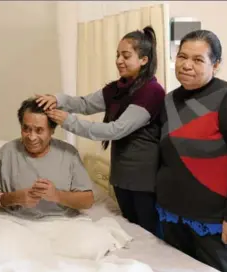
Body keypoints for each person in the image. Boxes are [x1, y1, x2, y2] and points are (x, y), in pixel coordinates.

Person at [36, 26, 165, 236]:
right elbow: (85, 104)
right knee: (132, 232)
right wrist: (58, 99)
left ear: (144, 60)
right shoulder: (117, 88)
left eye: (126, 55)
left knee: (149, 236)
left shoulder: (151, 92)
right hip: (122, 175)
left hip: (144, 180)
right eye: (117, 55)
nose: (119, 61)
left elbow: (116, 130)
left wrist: (69, 122)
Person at [156, 29, 227, 272]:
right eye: (182, 57)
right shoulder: (169, 100)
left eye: (198, 59)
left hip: (213, 220)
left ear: (215, 64)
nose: (186, 65)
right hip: (172, 214)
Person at [0, 98, 95, 218]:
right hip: (16, 222)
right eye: (26, 129)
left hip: (62, 222)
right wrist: (12, 198)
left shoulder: (68, 154)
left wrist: (57, 195)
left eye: (39, 130)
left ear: (52, 130)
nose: (31, 137)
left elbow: (87, 201)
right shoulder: (7, 152)